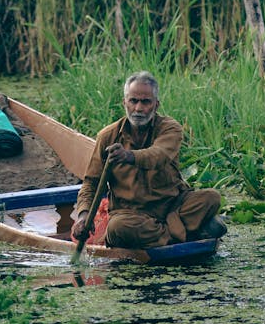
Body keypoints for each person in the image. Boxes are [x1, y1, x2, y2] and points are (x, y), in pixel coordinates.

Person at [71, 71, 227, 249]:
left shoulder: (170, 128)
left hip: (171, 207)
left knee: (211, 198)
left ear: (156, 104)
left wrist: (128, 156)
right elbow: (91, 182)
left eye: (145, 102)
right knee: (116, 228)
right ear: (125, 103)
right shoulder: (108, 136)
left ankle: (163, 235)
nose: (138, 108)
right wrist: (83, 217)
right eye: (133, 101)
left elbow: (158, 156)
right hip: (132, 215)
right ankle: (184, 233)